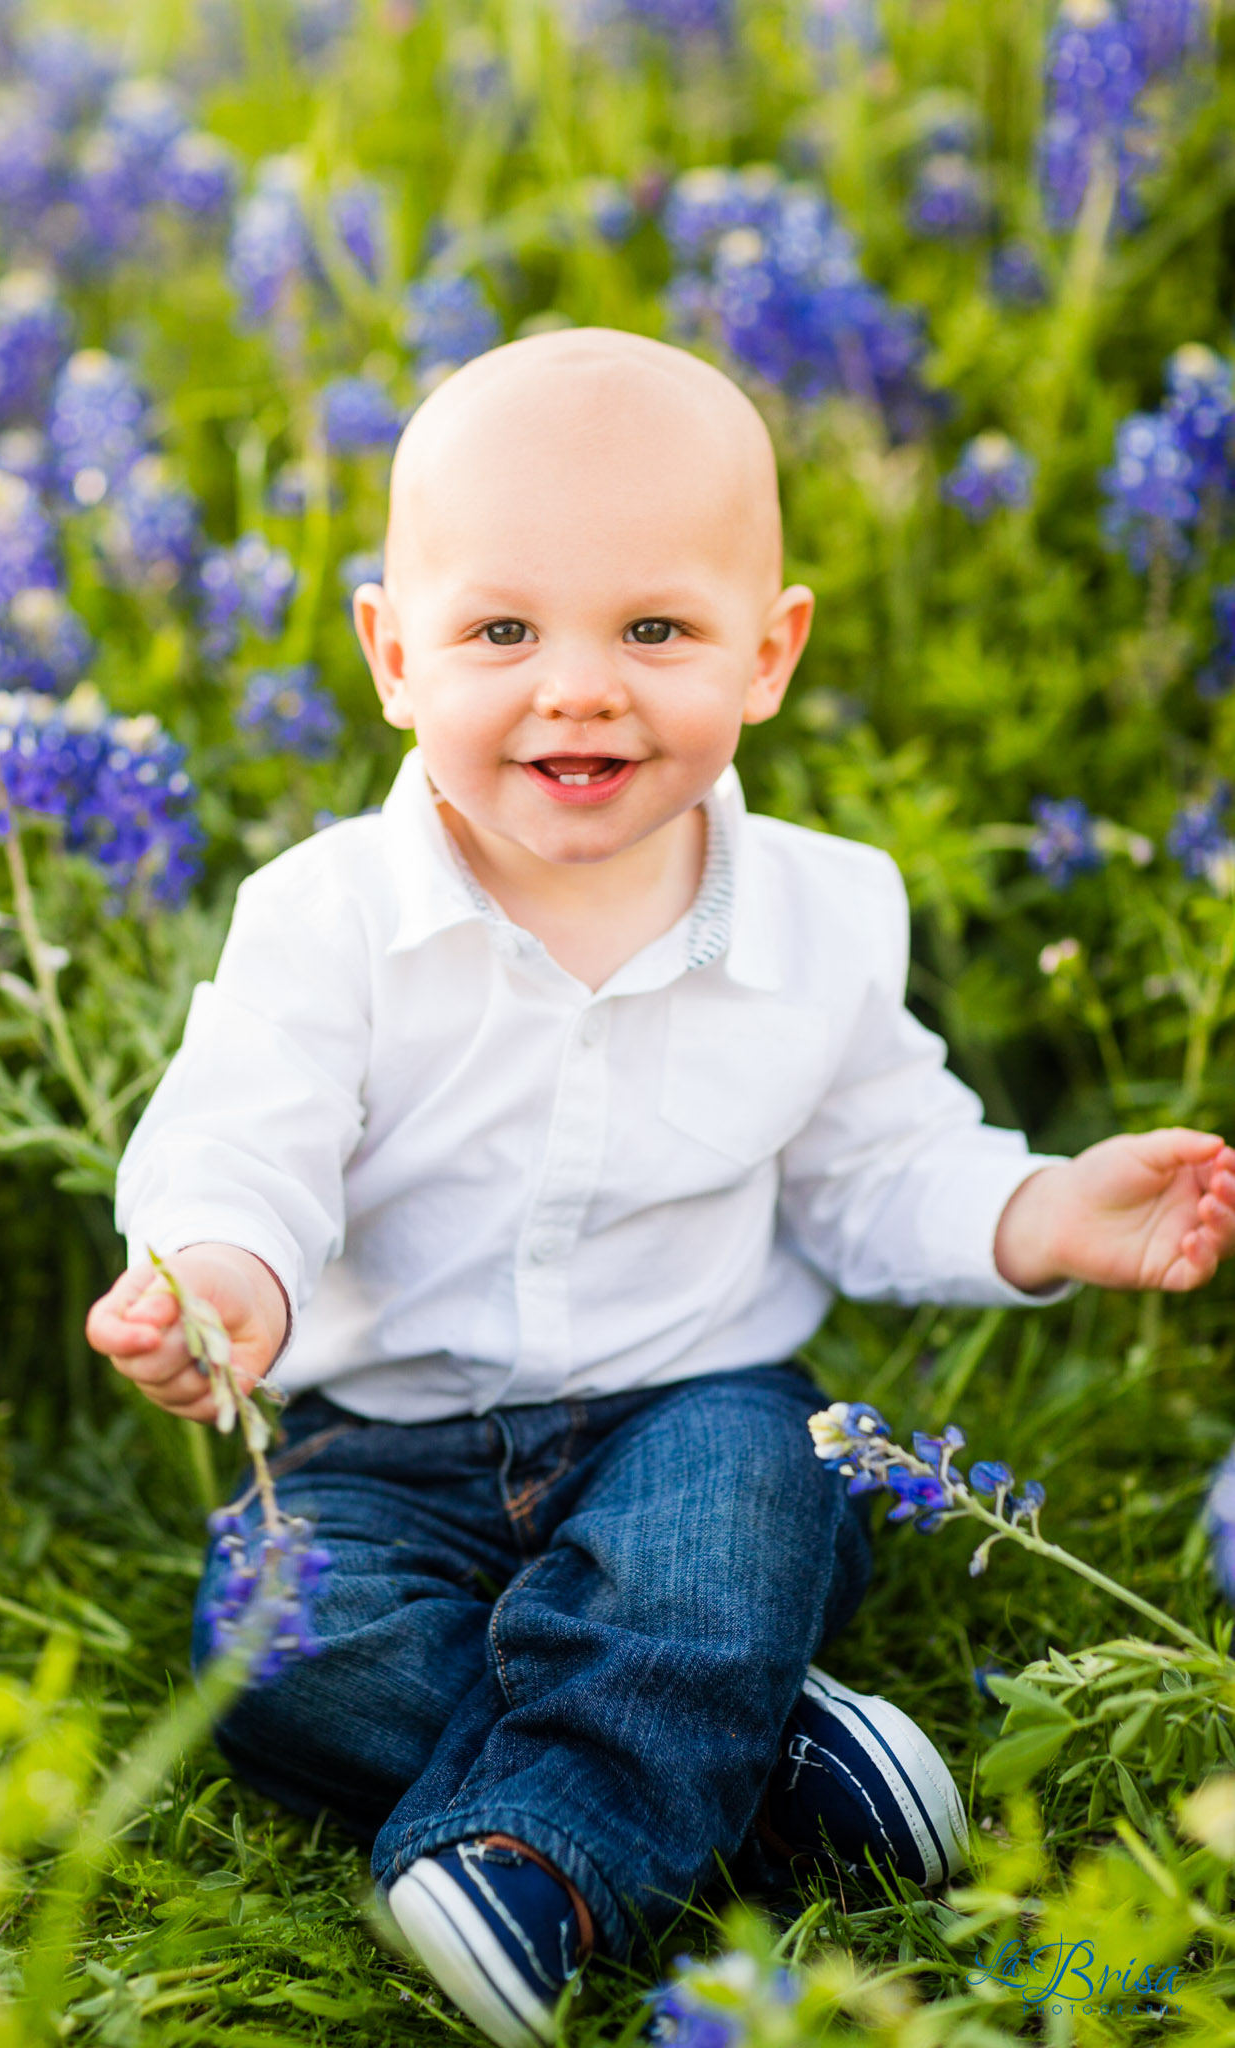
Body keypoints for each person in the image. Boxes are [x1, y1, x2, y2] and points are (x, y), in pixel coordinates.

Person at [87, 328, 1235, 2048]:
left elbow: (878, 1164)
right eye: (501, 631)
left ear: (765, 655)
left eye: (652, 630)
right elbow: (244, 1131)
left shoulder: (824, 919)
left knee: (738, 1525)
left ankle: (533, 1864)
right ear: (391, 657)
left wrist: (1038, 1213)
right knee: (285, 1646)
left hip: (686, 1419)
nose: (578, 688)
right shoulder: (321, 919)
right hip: (380, 1451)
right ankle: (770, 1769)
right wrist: (220, 1266)